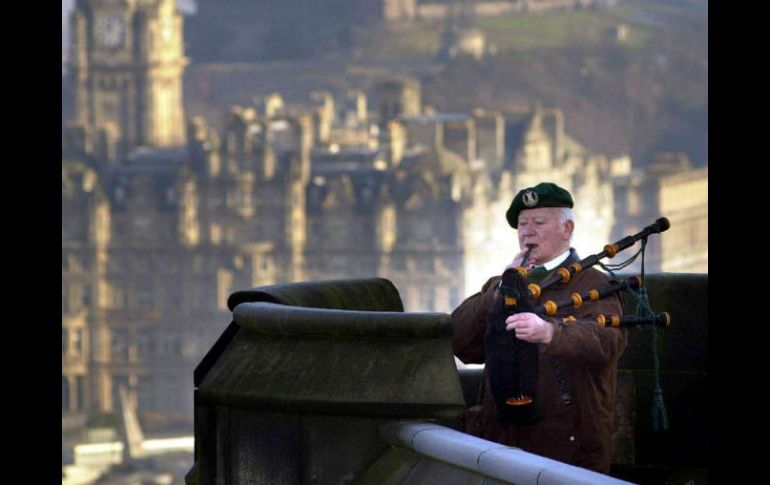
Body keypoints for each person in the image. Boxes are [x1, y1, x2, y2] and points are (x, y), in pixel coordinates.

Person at [452, 181, 627, 474]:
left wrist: (550, 333)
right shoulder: (502, 284)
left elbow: (608, 341)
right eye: (522, 224)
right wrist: (497, 291)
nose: (527, 231)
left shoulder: (596, 284)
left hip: (565, 447)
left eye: (538, 222)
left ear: (567, 230)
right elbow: (461, 343)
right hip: (500, 441)